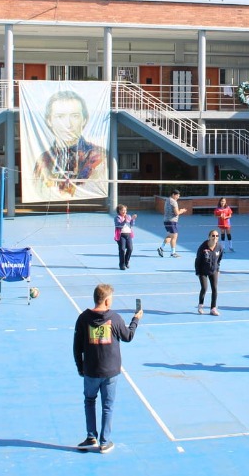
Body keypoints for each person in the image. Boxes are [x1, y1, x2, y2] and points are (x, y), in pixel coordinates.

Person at [73, 283, 142, 454]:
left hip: (90, 369)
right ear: (106, 301)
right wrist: (136, 319)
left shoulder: (83, 319)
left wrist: (80, 366)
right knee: (107, 405)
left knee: (89, 401)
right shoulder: (115, 318)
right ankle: (104, 441)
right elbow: (128, 336)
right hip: (110, 371)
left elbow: (77, 346)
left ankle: (91, 437)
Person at [32, 90, 108, 200]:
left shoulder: (98, 156)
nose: (67, 125)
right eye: (60, 116)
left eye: (75, 116)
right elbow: (37, 190)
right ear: (49, 121)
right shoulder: (43, 160)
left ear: (84, 120)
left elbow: (85, 190)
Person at [195, 229, 225, 316]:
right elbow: (197, 260)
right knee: (204, 288)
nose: (215, 237)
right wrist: (198, 272)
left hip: (213, 270)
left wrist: (217, 269)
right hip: (203, 271)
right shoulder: (203, 247)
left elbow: (219, 259)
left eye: (216, 236)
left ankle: (213, 308)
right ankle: (201, 305)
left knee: (215, 289)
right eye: (213, 236)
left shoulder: (219, 247)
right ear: (209, 237)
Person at [157, 189, 187, 258]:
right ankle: (173, 253)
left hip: (166, 221)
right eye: (177, 196)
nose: (178, 197)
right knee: (174, 237)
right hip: (171, 221)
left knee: (170, 236)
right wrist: (182, 211)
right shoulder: (174, 202)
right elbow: (177, 213)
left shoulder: (167, 200)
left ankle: (161, 248)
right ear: (173, 194)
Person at [113, 205, 136, 270]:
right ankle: (122, 264)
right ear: (119, 211)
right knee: (122, 249)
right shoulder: (117, 218)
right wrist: (124, 221)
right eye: (122, 210)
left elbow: (131, 225)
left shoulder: (128, 216)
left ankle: (126, 261)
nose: (124, 211)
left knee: (130, 249)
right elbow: (118, 226)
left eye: (125, 210)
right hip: (121, 235)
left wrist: (133, 220)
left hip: (128, 235)